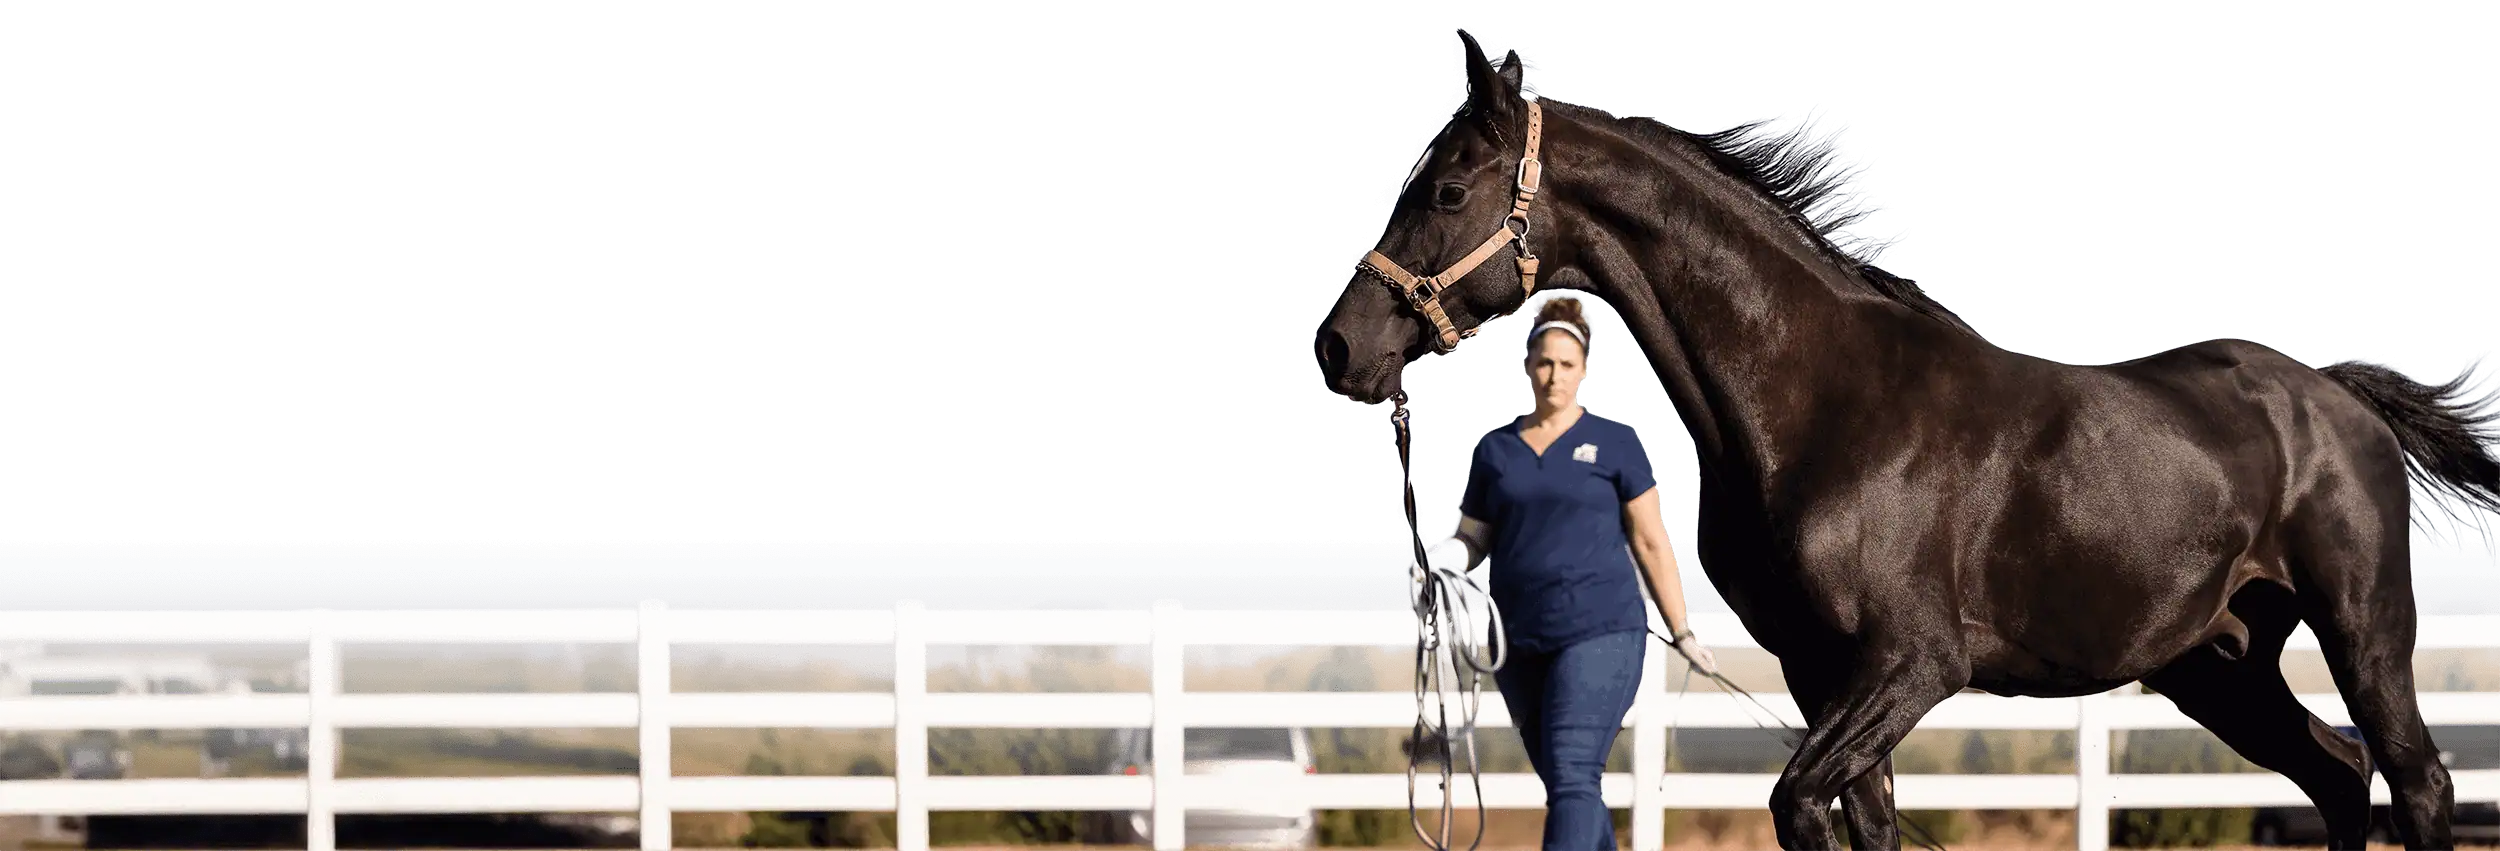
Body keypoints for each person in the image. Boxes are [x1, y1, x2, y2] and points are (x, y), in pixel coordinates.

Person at [1431, 295, 1718, 851]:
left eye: (1566, 364)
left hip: (1600, 631)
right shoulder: (1496, 451)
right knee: (1571, 788)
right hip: (1516, 643)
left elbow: (1651, 542)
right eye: (1543, 362)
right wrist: (1441, 562)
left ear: (1584, 369)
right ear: (1527, 365)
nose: (1553, 375)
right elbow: (1473, 538)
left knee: (1572, 775)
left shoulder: (1616, 444)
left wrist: (1682, 631)